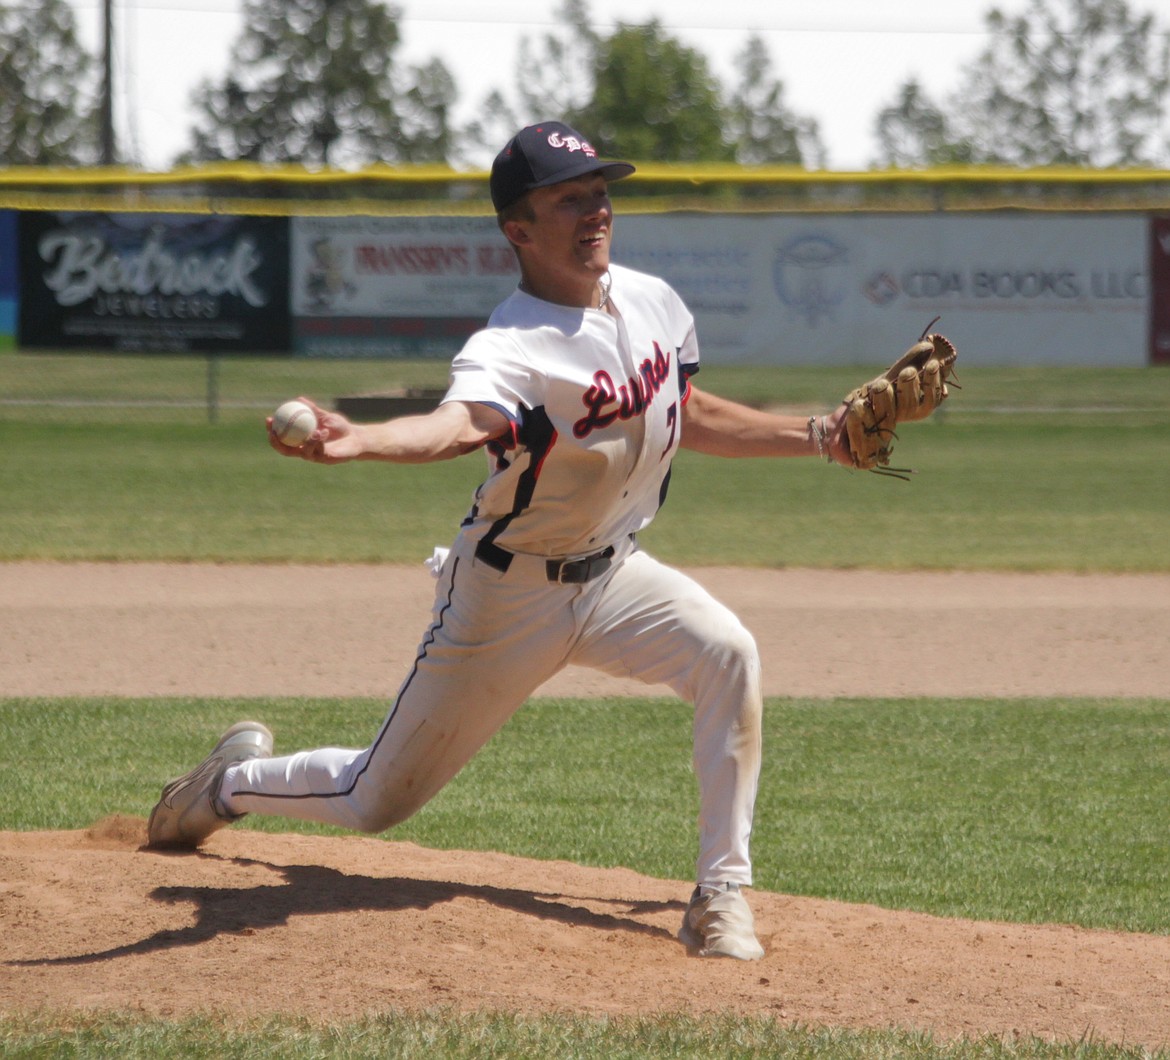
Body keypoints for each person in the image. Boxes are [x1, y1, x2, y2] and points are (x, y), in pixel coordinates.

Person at [147, 121, 853, 961]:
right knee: (376, 799)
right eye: (569, 199)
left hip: (615, 576)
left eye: (600, 191)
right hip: (505, 598)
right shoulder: (511, 346)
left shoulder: (656, 302)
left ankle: (721, 895)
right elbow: (456, 426)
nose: (596, 210)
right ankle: (226, 784)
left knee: (728, 654)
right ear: (518, 229)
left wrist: (820, 434)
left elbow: (691, 414)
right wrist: (362, 439)